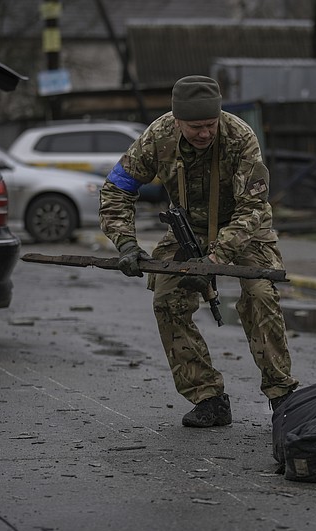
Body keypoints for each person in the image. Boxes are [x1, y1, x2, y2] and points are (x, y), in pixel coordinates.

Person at [99, 75, 299, 427]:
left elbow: (253, 206)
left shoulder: (240, 137)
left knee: (260, 295)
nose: (204, 133)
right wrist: (126, 243)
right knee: (167, 301)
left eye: (210, 125)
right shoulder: (156, 138)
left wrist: (215, 259)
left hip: (243, 228)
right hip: (186, 228)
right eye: (195, 127)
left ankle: (282, 394)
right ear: (177, 121)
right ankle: (208, 396)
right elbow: (116, 190)